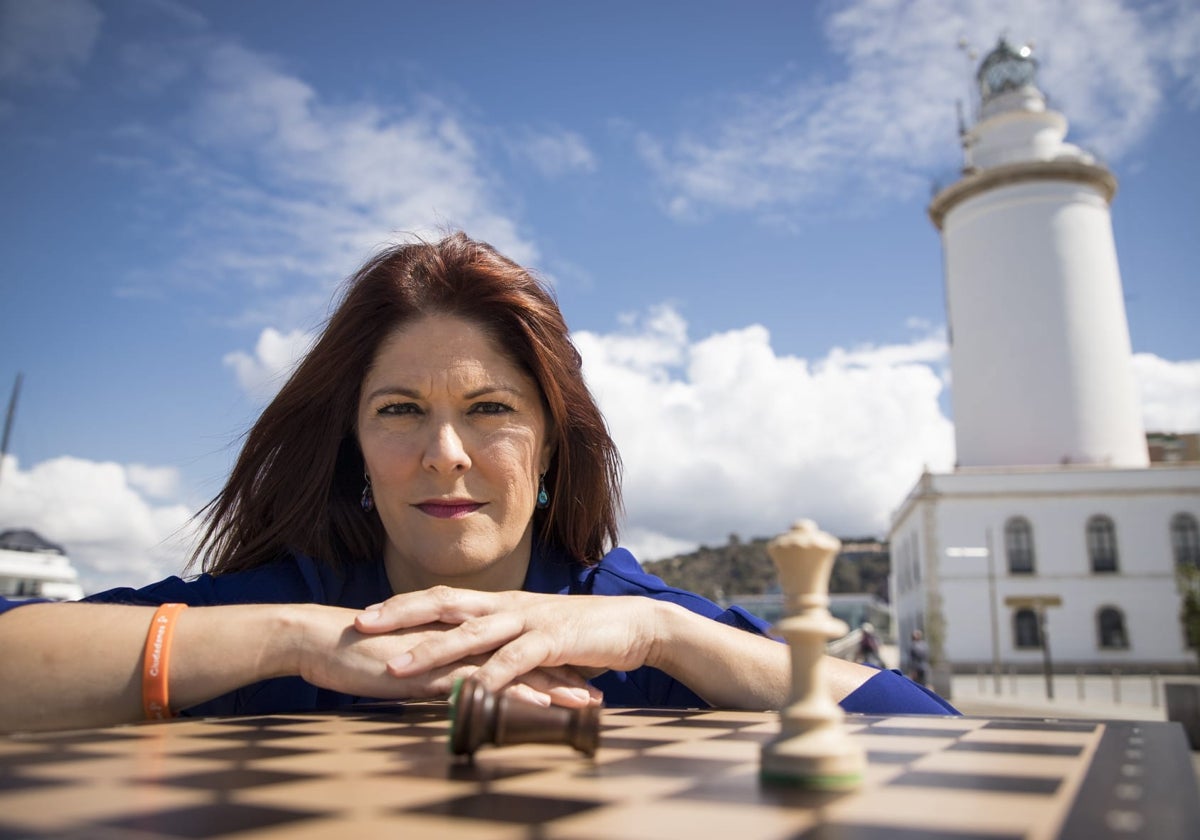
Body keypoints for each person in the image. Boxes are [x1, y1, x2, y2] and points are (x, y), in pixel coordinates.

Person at [1, 233, 955, 733]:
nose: (445, 454)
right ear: (354, 450)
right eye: (399, 410)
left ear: (551, 450)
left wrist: (669, 635)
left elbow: (929, 735)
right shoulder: (291, 609)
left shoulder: (628, 622)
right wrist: (298, 642)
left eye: (492, 410)